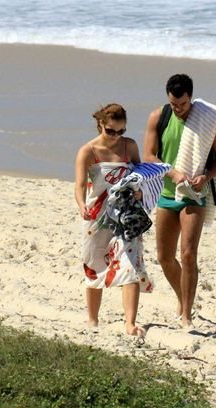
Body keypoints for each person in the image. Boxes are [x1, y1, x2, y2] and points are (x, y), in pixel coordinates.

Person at [143, 74, 216, 330]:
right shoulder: (159, 117)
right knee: (164, 257)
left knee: (188, 254)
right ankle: (183, 298)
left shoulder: (208, 119)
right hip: (167, 194)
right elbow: (148, 155)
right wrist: (173, 172)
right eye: (174, 104)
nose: (178, 109)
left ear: (191, 98)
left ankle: (186, 315)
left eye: (183, 104)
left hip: (194, 195)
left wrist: (206, 175)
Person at [75, 103, 152, 337]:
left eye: (121, 131)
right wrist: (81, 205)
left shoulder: (130, 147)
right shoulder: (88, 151)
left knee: (130, 264)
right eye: (111, 131)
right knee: (94, 265)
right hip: (97, 217)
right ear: (100, 125)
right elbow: (79, 184)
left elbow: (141, 175)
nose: (116, 136)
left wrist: (140, 191)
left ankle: (130, 323)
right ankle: (92, 319)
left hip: (126, 215)